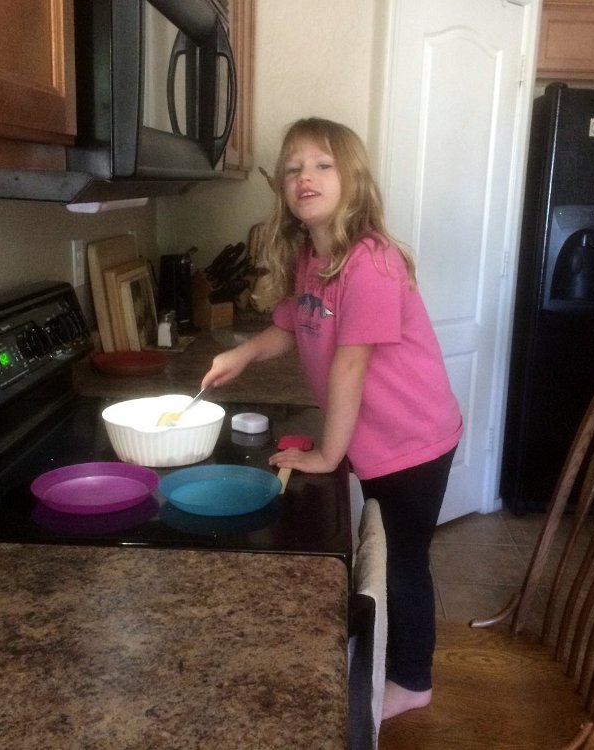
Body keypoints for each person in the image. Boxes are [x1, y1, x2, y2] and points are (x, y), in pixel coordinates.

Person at [200, 117, 462, 719]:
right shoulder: (313, 257)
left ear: (352, 178)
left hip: (412, 438)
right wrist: (242, 355)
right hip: (381, 439)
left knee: (401, 561)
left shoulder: (370, 261)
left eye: (322, 164)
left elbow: (349, 366)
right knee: (386, 553)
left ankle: (413, 680)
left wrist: (327, 454)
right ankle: (389, 660)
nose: (305, 177)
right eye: (293, 167)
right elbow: (292, 326)